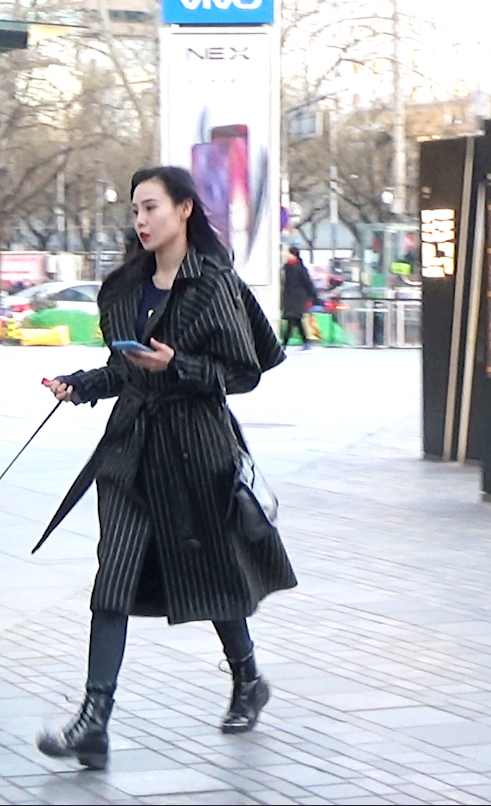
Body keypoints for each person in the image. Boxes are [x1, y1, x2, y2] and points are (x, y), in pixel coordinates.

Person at [36, 166, 296, 771]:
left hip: (198, 452)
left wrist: (177, 367)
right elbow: (125, 370)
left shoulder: (214, 285)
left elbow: (243, 373)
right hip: (131, 453)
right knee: (113, 579)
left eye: (151, 207)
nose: (141, 220)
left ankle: (247, 677)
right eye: (134, 212)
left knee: (208, 571)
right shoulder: (126, 288)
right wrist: (80, 385)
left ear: (184, 210)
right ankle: (94, 721)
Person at [280, 245, 318, 350]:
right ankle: (306, 341)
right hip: (289, 298)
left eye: (290, 253)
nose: (288, 256)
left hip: (298, 298)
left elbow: (308, 283)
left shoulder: (300, 269)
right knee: (296, 320)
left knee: (292, 320)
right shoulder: (287, 268)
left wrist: (312, 297)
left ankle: (284, 343)